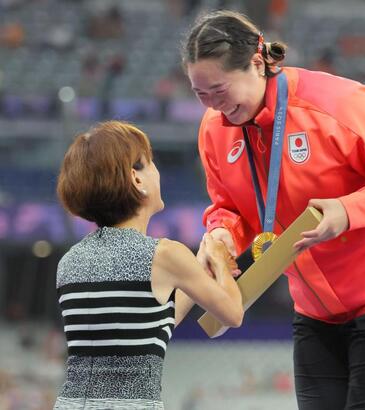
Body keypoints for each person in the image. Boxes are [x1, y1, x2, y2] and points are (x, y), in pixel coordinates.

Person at [181, 10, 365, 410]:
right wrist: (221, 234)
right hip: (315, 310)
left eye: (219, 90)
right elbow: (228, 208)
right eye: (201, 95)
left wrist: (347, 210)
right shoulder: (214, 129)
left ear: (257, 63)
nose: (215, 107)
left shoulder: (338, 104)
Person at [53, 121, 243, 409]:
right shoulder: (164, 255)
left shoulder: (69, 262)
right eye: (150, 163)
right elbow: (233, 313)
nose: (157, 171)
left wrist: (194, 272)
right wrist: (216, 259)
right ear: (136, 179)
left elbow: (151, 325)